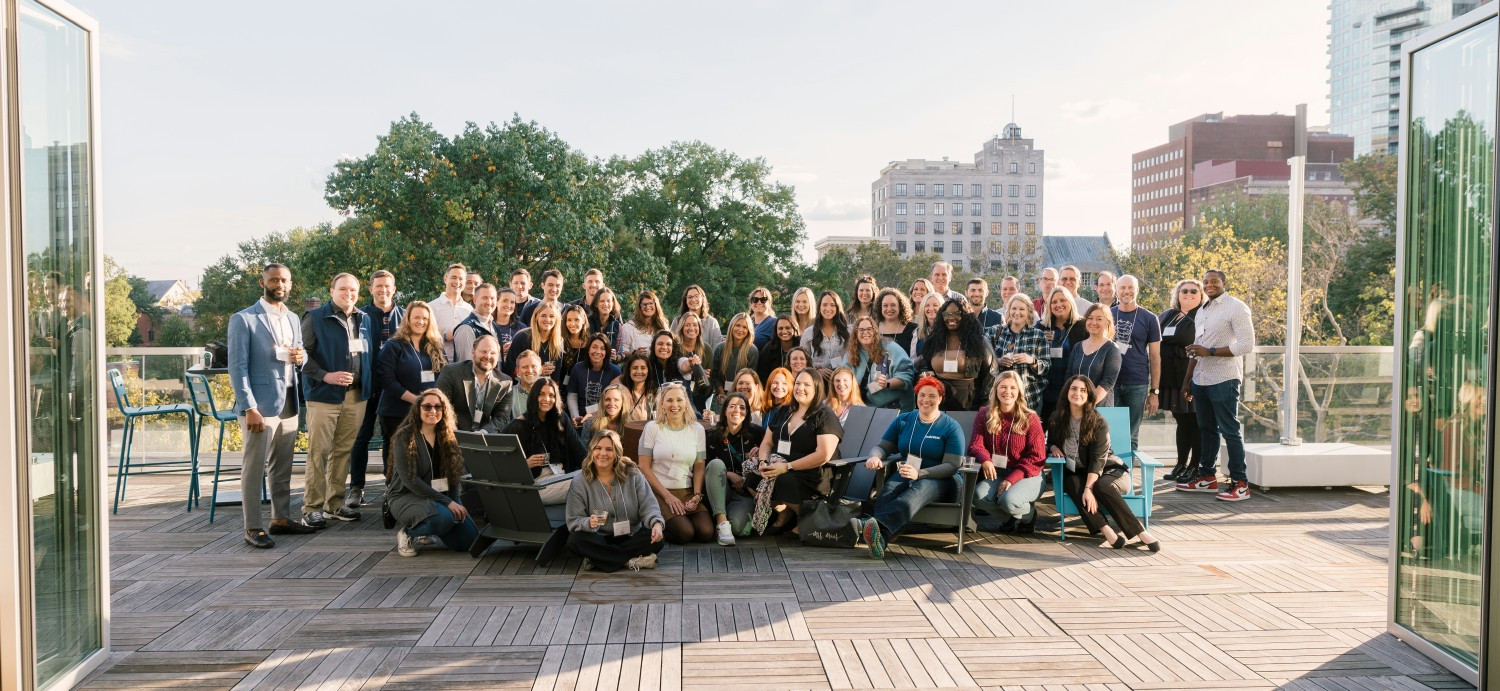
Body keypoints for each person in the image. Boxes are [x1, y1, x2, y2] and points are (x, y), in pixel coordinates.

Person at [228, 263, 315, 548]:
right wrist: (248, 406)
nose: (280, 284)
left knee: (283, 467)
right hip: (259, 407)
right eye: (274, 280)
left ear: (291, 284)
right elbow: (237, 368)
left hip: (289, 400)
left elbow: (297, 354)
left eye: (285, 281)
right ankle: (253, 527)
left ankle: (280, 519)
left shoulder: (292, 317)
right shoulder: (243, 319)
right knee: (254, 468)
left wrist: (299, 357)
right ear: (262, 282)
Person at [856, 376, 965, 559]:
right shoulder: (904, 420)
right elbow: (882, 447)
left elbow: (952, 465)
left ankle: (873, 525)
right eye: (922, 395)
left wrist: (920, 473)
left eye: (932, 396)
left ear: (940, 398)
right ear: (916, 396)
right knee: (889, 488)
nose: (926, 400)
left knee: (922, 486)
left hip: (943, 478)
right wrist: (874, 457)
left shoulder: (951, 427)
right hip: (908, 471)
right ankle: (879, 539)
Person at [1052, 375, 1160, 551]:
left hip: (1110, 471)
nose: (1077, 393)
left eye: (1082, 390)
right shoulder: (1057, 418)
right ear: (1067, 392)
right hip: (1080, 472)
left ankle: (1140, 531)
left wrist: (1088, 489)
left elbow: (1098, 459)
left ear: (1089, 395)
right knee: (1070, 482)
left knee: (1101, 486)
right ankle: (1106, 529)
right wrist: (1054, 447)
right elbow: (1050, 441)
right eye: (1073, 388)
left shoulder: (1098, 422)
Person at [299, 273, 374, 526]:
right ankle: (312, 507)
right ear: (332, 291)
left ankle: (334, 504)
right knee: (319, 451)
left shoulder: (364, 319)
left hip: (356, 396)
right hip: (324, 396)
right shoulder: (315, 318)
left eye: (353, 290)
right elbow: (302, 357)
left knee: (343, 451)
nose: (348, 294)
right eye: (343, 289)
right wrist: (326, 376)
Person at [1178, 269, 1256, 502]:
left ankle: (1240, 483)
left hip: (1225, 378)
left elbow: (1246, 345)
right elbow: (1198, 347)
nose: (1209, 285)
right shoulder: (1202, 311)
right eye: (1205, 282)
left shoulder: (1236, 307)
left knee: (1230, 430)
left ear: (1224, 282)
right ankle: (1207, 477)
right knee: (1207, 429)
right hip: (1201, 378)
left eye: (1214, 281)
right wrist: (1188, 381)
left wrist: (1210, 352)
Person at [387, 389, 480, 557]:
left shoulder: (448, 436)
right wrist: (448, 503)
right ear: (418, 409)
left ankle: (431, 525)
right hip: (405, 496)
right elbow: (410, 480)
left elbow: (453, 476)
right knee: (444, 518)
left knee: (469, 541)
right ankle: (409, 532)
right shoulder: (405, 436)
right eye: (427, 407)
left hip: (437, 498)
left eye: (438, 407)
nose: (433, 411)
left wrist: (456, 503)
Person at [564, 430, 666, 572]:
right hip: (599, 538)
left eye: (609, 449)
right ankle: (628, 561)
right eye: (598, 448)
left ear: (617, 452)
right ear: (592, 450)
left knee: (657, 537)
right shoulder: (580, 481)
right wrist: (589, 522)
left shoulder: (633, 473)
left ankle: (599, 559)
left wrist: (656, 523)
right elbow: (574, 520)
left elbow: (649, 505)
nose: (603, 454)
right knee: (574, 541)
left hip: (631, 535)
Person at [755, 369, 843, 533]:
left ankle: (808, 518)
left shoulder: (824, 415)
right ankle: (784, 510)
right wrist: (763, 462)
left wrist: (787, 467)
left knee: (781, 479)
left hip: (811, 473)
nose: (800, 388)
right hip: (780, 465)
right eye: (797, 383)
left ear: (816, 388)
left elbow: (823, 455)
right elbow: (767, 442)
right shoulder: (784, 411)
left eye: (806, 384)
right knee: (753, 472)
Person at [349, 269, 403, 509]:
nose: (383, 290)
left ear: (394, 289)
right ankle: (356, 488)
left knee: (392, 439)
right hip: (367, 388)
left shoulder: (404, 316)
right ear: (370, 289)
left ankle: (390, 486)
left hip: (395, 390)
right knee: (361, 438)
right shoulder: (359, 316)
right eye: (378, 286)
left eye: (387, 286)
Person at [969, 372, 1046, 534]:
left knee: (1009, 500)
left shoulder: (1030, 418)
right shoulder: (984, 415)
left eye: (1012, 387)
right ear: (995, 390)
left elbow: (1037, 457)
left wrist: (1012, 478)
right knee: (978, 496)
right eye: (1003, 387)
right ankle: (1011, 518)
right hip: (998, 472)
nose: (1007, 391)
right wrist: (985, 460)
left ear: (1019, 391)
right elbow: (976, 445)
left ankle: (1029, 516)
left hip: (1027, 474)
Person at [375, 300, 446, 476]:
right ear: (407, 319)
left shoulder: (434, 346)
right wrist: (416, 400)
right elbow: (386, 380)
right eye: (416, 317)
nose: (420, 322)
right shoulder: (394, 345)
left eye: (424, 318)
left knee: (421, 455)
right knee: (397, 456)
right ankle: (392, 492)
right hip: (396, 411)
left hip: (427, 411)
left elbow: (442, 376)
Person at [638, 383, 713, 544]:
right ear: (662, 404)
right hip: (659, 491)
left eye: (679, 400)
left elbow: (700, 465)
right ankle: (651, 524)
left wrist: (697, 494)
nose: (675, 405)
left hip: (686, 491)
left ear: (686, 403)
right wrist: (668, 497)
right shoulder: (652, 428)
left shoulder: (697, 429)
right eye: (669, 400)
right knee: (685, 533)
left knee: (706, 532)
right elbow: (643, 467)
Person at [502, 377, 586, 505]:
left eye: (551, 395)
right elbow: (501, 465)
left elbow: (579, 450)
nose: (547, 399)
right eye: (541, 394)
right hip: (535, 484)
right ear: (534, 396)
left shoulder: (561, 419)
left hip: (561, 476)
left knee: (592, 476)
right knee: (583, 484)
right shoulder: (518, 425)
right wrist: (524, 464)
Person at [1110, 275, 1162, 453]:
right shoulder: (1107, 314)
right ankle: (1110, 475)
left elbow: (1155, 357)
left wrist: (1154, 391)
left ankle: (1127, 476)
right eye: (1122, 287)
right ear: (1116, 290)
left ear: (1137, 290)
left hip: (1137, 383)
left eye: (1130, 287)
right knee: (1110, 432)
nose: (1126, 291)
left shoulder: (1150, 318)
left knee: (1131, 435)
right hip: (1111, 382)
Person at [1158, 279, 1203, 482]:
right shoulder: (1168, 315)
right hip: (1170, 376)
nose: (1188, 294)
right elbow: (1156, 337)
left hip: (1190, 376)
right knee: (1181, 421)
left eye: (1194, 291)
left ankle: (1195, 466)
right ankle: (1180, 464)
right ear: (1177, 294)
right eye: (1184, 290)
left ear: (1201, 295)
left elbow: (1188, 338)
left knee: (1194, 422)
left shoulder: (1201, 316)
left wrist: (1169, 342)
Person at [704, 392, 763, 542]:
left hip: (746, 493)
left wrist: (762, 454)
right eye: (732, 406)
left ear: (747, 412)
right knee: (716, 464)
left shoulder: (757, 433)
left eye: (742, 407)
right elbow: (706, 468)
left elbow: (771, 457)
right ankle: (722, 522)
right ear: (725, 410)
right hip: (722, 489)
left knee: (740, 530)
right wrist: (730, 475)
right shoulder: (712, 435)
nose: (737, 410)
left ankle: (724, 515)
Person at [918, 298, 995, 411]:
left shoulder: (978, 341)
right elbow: (924, 363)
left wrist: (985, 402)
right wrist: (925, 372)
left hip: (969, 401)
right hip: (938, 400)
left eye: (956, 313)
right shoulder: (934, 340)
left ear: (966, 316)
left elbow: (991, 372)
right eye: (947, 314)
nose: (951, 318)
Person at [436, 334, 515, 433]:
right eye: (483, 351)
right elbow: (440, 406)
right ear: (473, 352)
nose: (488, 356)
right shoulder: (451, 372)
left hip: (485, 437)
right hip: (453, 434)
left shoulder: (505, 382)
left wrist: (484, 432)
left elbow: (502, 417)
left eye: (493, 353)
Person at [839, 314, 914, 410]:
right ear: (855, 333)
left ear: (875, 331)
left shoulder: (891, 348)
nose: (865, 332)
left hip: (895, 408)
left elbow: (906, 375)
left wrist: (886, 383)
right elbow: (843, 378)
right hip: (864, 408)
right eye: (861, 330)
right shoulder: (850, 355)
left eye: (869, 329)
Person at [991, 294, 1051, 413]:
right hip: (1002, 400)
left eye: (1022, 309)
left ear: (1029, 312)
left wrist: (1031, 360)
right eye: (1014, 308)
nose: (1017, 312)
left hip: (1030, 399)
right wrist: (998, 361)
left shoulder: (1038, 335)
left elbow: (1046, 368)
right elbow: (983, 360)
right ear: (1008, 311)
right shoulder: (995, 332)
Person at [1039, 286, 1088, 422]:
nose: (1058, 305)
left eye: (1063, 300)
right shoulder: (1041, 327)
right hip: (1045, 390)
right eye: (1054, 302)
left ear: (1070, 302)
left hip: (1072, 389)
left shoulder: (1083, 326)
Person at [1064, 304, 1121, 406]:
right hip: (1076, 406)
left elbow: (1107, 382)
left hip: (1100, 407)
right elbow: (1069, 375)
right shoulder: (1077, 347)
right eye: (1090, 318)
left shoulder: (1112, 349)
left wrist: (1088, 405)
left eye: (1099, 319)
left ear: (1107, 322)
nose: (1093, 322)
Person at [566, 334, 622, 425]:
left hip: (604, 420)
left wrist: (595, 416)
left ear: (607, 352)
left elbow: (616, 402)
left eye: (602, 348)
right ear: (588, 349)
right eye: (594, 347)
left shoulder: (615, 371)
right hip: (581, 418)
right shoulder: (578, 368)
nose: (598, 351)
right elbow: (572, 397)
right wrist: (575, 417)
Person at [504, 301, 563, 380]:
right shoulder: (522, 337)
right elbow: (510, 370)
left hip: (547, 389)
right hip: (524, 388)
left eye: (552, 316)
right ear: (536, 317)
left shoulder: (558, 341)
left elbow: (557, 376)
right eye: (543, 316)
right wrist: (537, 371)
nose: (547, 319)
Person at [430, 263, 473, 362]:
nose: (457, 281)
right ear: (445, 279)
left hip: (463, 365)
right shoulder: (431, 308)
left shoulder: (469, 310)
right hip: (437, 364)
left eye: (461, 279)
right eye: (454, 277)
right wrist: (444, 336)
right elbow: (422, 335)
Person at [710, 313, 759, 397]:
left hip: (743, 395)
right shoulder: (720, 348)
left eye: (744, 327)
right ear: (732, 326)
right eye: (737, 325)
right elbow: (715, 375)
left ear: (748, 330)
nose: (740, 330)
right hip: (722, 394)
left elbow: (751, 378)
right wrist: (721, 393)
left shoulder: (752, 350)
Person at [674, 313, 714, 409]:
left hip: (699, 397)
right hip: (676, 396)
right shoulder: (674, 347)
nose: (691, 328)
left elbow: (709, 383)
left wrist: (703, 376)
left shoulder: (706, 349)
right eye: (687, 325)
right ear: (681, 328)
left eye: (695, 325)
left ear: (699, 328)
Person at [452, 283, 499, 361]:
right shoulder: (466, 328)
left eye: (492, 298)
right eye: (485, 298)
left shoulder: (494, 326)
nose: (489, 302)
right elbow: (466, 365)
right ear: (475, 300)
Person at [552, 303, 594, 387]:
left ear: (584, 320)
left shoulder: (590, 343)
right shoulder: (559, 341)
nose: (572, 324)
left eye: (576, 320)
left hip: (582, 386)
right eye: (569, 320)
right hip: (560, 386)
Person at [619, 289, 669, 357]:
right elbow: (622, 353)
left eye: (651, 303)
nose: (648, 307)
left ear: (656, 305)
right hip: (637, 366)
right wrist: (634, 354)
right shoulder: (629, 327)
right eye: (644, 304)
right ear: (639, 307)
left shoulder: (663, 325)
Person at [583, 383, 633, 449]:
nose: (612, 403)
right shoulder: (590, 423)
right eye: (607, 400)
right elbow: (583, 452)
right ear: (602, 402)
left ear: (622, 403)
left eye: (616, 400)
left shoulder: (630, 426)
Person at [673, 284, 724, 348]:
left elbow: (716, 349)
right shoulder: (677, 321)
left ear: (702, 298)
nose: (693, 300)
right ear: (685, 300)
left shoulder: (712, 323)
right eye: (690, 297)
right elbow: (671, 345)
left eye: (696, 296)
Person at [757, 317, 801, 384]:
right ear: (776, 331)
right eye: (780, 328)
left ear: (795, 328)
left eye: (788, 328)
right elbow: (762, 374)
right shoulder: (769, 348)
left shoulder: (801, 345)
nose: (784, 331)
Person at [874, 288, 918, 356]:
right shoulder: (873, 328)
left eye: (893, 305)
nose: (889, 309)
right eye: (885, 305)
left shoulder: (913, 329)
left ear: (900, 307)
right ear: (880, 308)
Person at [491, 288, 524, 369]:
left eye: (512, 302)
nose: (509, 305)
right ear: (496, 302)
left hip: (514, 372)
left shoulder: (521, 328)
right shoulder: (488, 325)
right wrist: (499, 351)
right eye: (505, 300)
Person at [508, 350, 545, 421]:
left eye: (533, 366)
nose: (530, 370)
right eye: (525, 367)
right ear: (517, 371)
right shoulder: (509, 395)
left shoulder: (549, 394)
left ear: (541, 370)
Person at [619, 352, 657, 422]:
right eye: (635, 368)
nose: (639, 371)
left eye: (643, 368)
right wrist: (622, 388)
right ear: (629, 371)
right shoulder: (620, 392)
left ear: (648, 371)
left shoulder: (655, 394)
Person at [588, 286, 623, 354]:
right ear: (596, 304)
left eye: (608, 301)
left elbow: (620, 352)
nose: (605, 304)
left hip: (610, 363)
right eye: (602, 301)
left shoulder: (618, 326)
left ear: (613, 303)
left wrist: (616, 356)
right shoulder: (587, 323)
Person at [911, 293, 943, 358]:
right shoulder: (917, 332)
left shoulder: (948, 331)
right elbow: (912, 359)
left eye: (935, 305)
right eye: (927, 305)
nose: (931, 309)